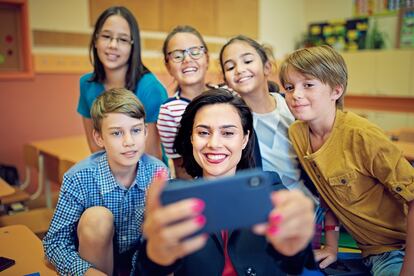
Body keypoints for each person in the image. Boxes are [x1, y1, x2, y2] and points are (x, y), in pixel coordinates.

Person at [134, 89, 316, 275]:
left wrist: (296, 249)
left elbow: (297, 264)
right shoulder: (173, 201)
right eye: (203, 132)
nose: (214, 143)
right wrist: (155, 259)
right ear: (191, 138)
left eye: (228, 133)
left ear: (245, 139)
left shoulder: (273, 191)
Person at [279, 45, 414, 275]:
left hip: (398, 248)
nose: (296, 95)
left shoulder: (362, 135)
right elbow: (327, 190)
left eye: (308, 85)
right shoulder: (298, 133)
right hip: (364, 250)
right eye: (290, 87)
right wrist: (331, 246)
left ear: (336, 91)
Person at [43, 88, 168, 275]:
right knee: (96, 218)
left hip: (140, 265)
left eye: (135, 130)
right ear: (99, 137)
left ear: (145, 131)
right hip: (93, 263)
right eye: (117, 133)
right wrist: (86, 272)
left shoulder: (158, 173)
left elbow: (158, 238)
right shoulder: (78, 178)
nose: (129, 142)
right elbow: (54, 243)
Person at [219, 35, 316, 200]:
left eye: (247, 61)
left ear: (267, 67)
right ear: (226, 81)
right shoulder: (233, 123)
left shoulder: (292, 105)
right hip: (269, 207)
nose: (240, 69)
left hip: (310, 201)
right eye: (230, 67)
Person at [77, 6, 167, 160]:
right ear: (96, 40)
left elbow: (152, 158)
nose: (113, 45)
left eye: (123, 39)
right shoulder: (87, 84)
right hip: (108, 174)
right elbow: (96, 147)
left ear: (133, 46)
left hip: (148, 178)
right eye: (106, 36)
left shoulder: (151, 89)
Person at [157, 25, 209, 179]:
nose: (187, 59)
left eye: (195, 51)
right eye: (177, 56)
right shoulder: (169, 111)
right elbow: (181, 169)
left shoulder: (227, 94)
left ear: (207, 58)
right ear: (168, 66)